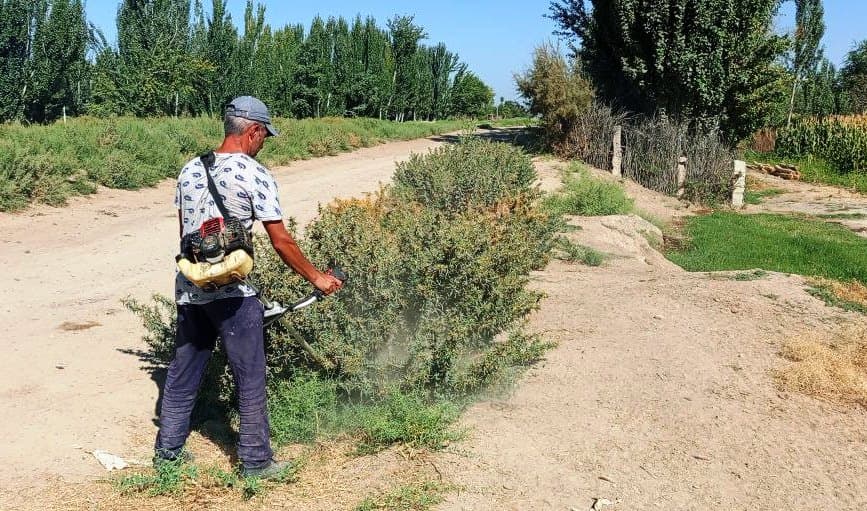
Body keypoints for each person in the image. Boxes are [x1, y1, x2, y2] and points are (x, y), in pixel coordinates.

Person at [154, 96, 342, 478]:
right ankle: (256, 461)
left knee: (183, 369)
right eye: (264, 136)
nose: (263, 143)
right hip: (234, 295)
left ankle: (167, 454)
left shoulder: (189, 170)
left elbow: (185, 235)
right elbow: (281, 241)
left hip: (191, 287)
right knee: (250, 375)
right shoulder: (254, 173)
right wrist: (318, 278)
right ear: (253, 131)